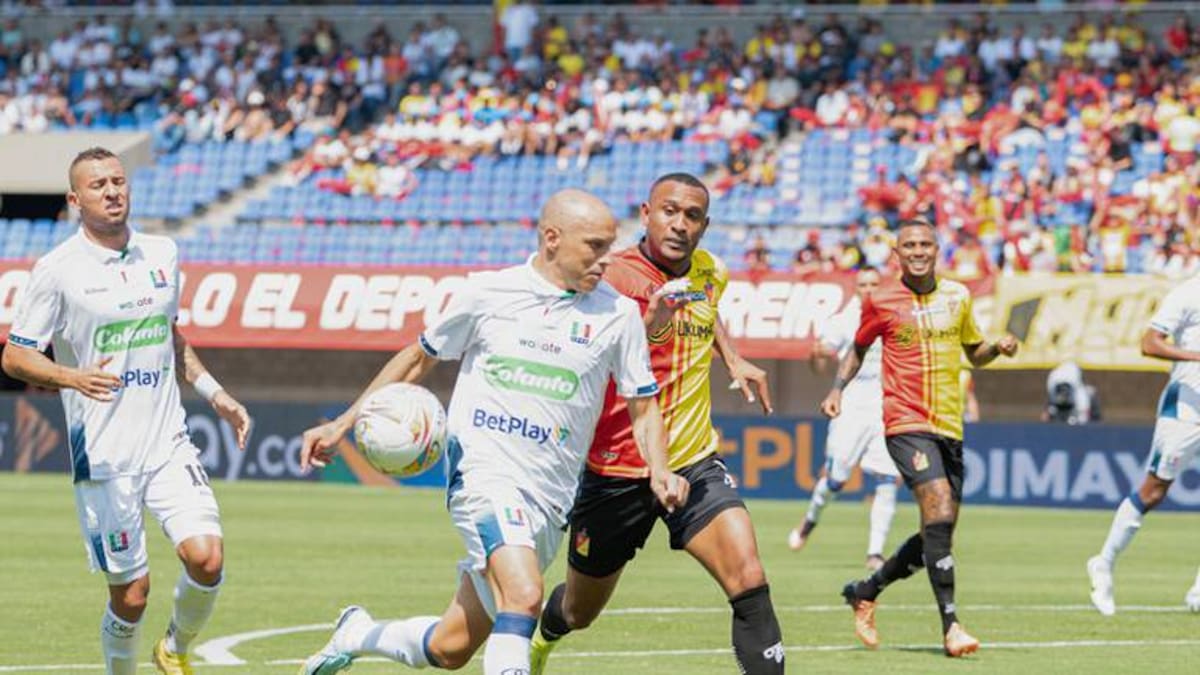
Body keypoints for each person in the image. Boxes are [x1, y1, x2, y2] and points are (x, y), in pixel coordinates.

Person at [296, 189, 688, 675]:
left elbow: (642, 404)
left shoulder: (618, 315)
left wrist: (661, 470)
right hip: (484, 477)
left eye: (610, 246)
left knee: (450, 648)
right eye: (594, 246)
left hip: (551, 497)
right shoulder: (488, 293)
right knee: (524, 597)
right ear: (551, 239)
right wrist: (343, 422)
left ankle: (358, 633)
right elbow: (418, 357)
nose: (607, 260)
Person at [1, 147, 251, 675]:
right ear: (75, 199)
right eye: (98, 185)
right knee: (132, 595)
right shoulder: (57, 270)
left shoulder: (162, 253)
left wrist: (215, 393)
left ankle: (175, 648)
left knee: (207, 558)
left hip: (166, 442)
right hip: (105, 456)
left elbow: (170, 336)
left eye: (118, 181)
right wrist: (72, 377)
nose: (112, 191)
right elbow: (15, 355)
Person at [530, 173, 785, 675]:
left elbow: (706, 311)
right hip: (619, 468)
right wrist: (653, 323)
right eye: (669, 211)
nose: (679, 224)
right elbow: (590, 359)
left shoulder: (710, 272)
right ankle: (542, 639)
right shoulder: (612, 278)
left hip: (692, 461)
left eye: (692, 216)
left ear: (705, 226)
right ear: (646, 214)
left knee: (748, 575)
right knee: (579, 611)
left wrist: (731, 358)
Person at [828, 218, 1018, 658]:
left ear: (937, 250)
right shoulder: (881, 300)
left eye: (924, 244)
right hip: (905, 423)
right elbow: (858, 347)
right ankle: (951, 627)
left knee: (939, 528)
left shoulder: (958, 296)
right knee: (937, 503)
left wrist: (997, 346)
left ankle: (866, 589)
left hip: (949, 427)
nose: (916, 251)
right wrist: (837, 390)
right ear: (896, 254)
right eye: (908, 245)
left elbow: (976, 354)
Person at [1087, 274, 1200, 615]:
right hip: (1186, 407)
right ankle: (1103, 563)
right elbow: (1149, 343)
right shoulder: (1188, 293)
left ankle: (1198, 593)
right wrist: (1195, 356)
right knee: (1153, 491)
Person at [789, 266, 901, 572]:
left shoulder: (895, 315)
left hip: (886, 402)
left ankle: (875, 552)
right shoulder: (843, 321)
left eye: (874, 283)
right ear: (855, 288)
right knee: (836, 478)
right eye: (863, 284)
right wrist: (817, 356)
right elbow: (821, 362)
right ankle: (810, 520)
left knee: (888, 480)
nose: (868, 289)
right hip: (852, 400)